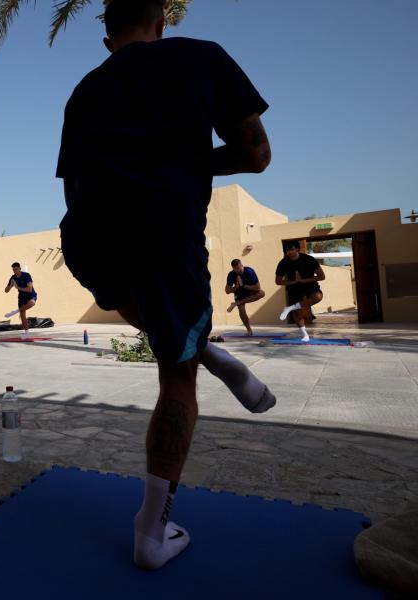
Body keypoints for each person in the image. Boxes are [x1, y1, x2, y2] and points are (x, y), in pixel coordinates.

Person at [57, 0, 276, 570]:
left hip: (86, 239)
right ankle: (151, 533)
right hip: (165, 236)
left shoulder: (85, 89)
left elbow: (72, 189)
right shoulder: (201, 58)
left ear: (107, 37)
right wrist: (186, 161)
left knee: (166, 327)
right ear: (162, 20)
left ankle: (223, 361)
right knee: (176, 377)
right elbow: (257, 155)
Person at [275, 241, 325, 341]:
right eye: (287, 250)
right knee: (297, 313)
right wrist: (294, 281)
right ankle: (305, 335)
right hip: (294, 287)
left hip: (309, 284)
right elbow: (278, 281)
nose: (289, 252)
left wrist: (302, 280)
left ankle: (290, 308)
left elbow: (322, 276)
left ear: (297, 249)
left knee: (318, 297)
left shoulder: (308, 259)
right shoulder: (283, 263)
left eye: (292, 249)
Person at [224, 259, 265, 336]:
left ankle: (236, 303)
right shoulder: (231, 274)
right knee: (241, 309)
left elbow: (257, 287)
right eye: (235, 269)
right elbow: (227, 291)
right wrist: (236, 287)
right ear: (233, 268)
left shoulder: (249, 271)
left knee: (262, 293)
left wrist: (243, 285)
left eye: (239, 268)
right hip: (239, 293)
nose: (238, 270)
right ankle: (249, 330)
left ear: (242, 265)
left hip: (250, 290)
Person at [4, 262, 37, 338]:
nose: (15, 271)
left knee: (32, 303)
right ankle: (27, 333)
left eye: (16, 269)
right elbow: (6, 290)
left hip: (30, 295)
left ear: (20, 269)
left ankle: (15, 311)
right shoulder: (13, 278)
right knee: (22, 315)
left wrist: (17, 287)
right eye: (13, 270)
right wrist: (10, 285)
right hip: (21, 297)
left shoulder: (26, 275)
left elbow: (29, 289)